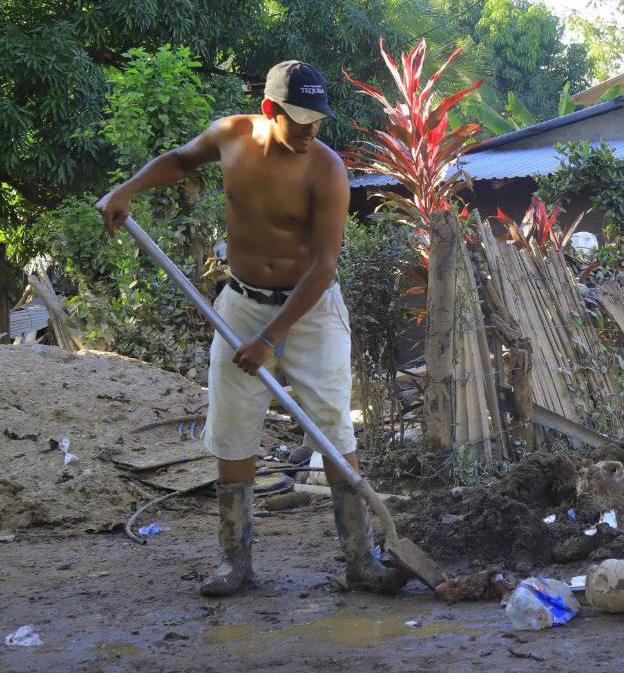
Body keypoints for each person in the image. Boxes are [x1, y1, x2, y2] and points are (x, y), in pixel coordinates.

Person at [95, 61, 407, 597]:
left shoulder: (326, 170)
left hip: (311, 310)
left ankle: (361, 560)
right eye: (300, 119)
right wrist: (127, 189)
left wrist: (269, 339)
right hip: (240, 305)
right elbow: (180, 160)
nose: (311, 130)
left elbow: (323, 267)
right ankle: (234, 561)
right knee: (234, 427)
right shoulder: (231, 136)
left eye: (318, 120)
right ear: (270, 110)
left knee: (333, 427)